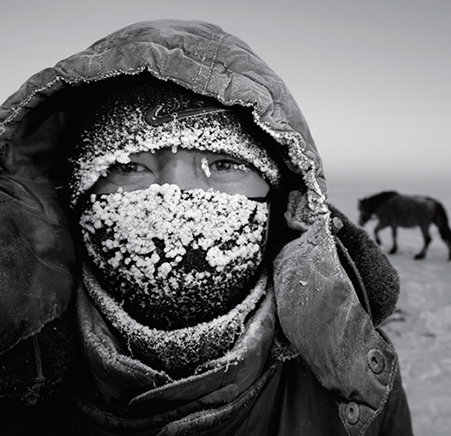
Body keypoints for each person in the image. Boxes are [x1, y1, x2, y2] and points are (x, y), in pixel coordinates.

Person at [0, 20, 413, 435]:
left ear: (275, 197)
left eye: (223, 165)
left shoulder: (356, 377)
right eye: (129, 167)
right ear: (75, 198)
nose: (176, 198)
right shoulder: (12, 380)